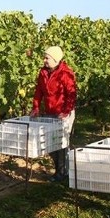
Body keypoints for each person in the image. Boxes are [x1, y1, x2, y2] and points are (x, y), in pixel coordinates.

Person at [30, 46, 77, 182]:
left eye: (47, 58)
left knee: (61, 144)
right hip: (49, 112)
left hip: (63, 113)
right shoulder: (43, 72)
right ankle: (61, 170)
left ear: (56, 59)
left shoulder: (66, 73)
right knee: (50, 143)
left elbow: (71, 94)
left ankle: (62, 173)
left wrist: (66, 111)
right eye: (44, 57)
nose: (44, 60)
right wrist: (36, 107)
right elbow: (39, 91)